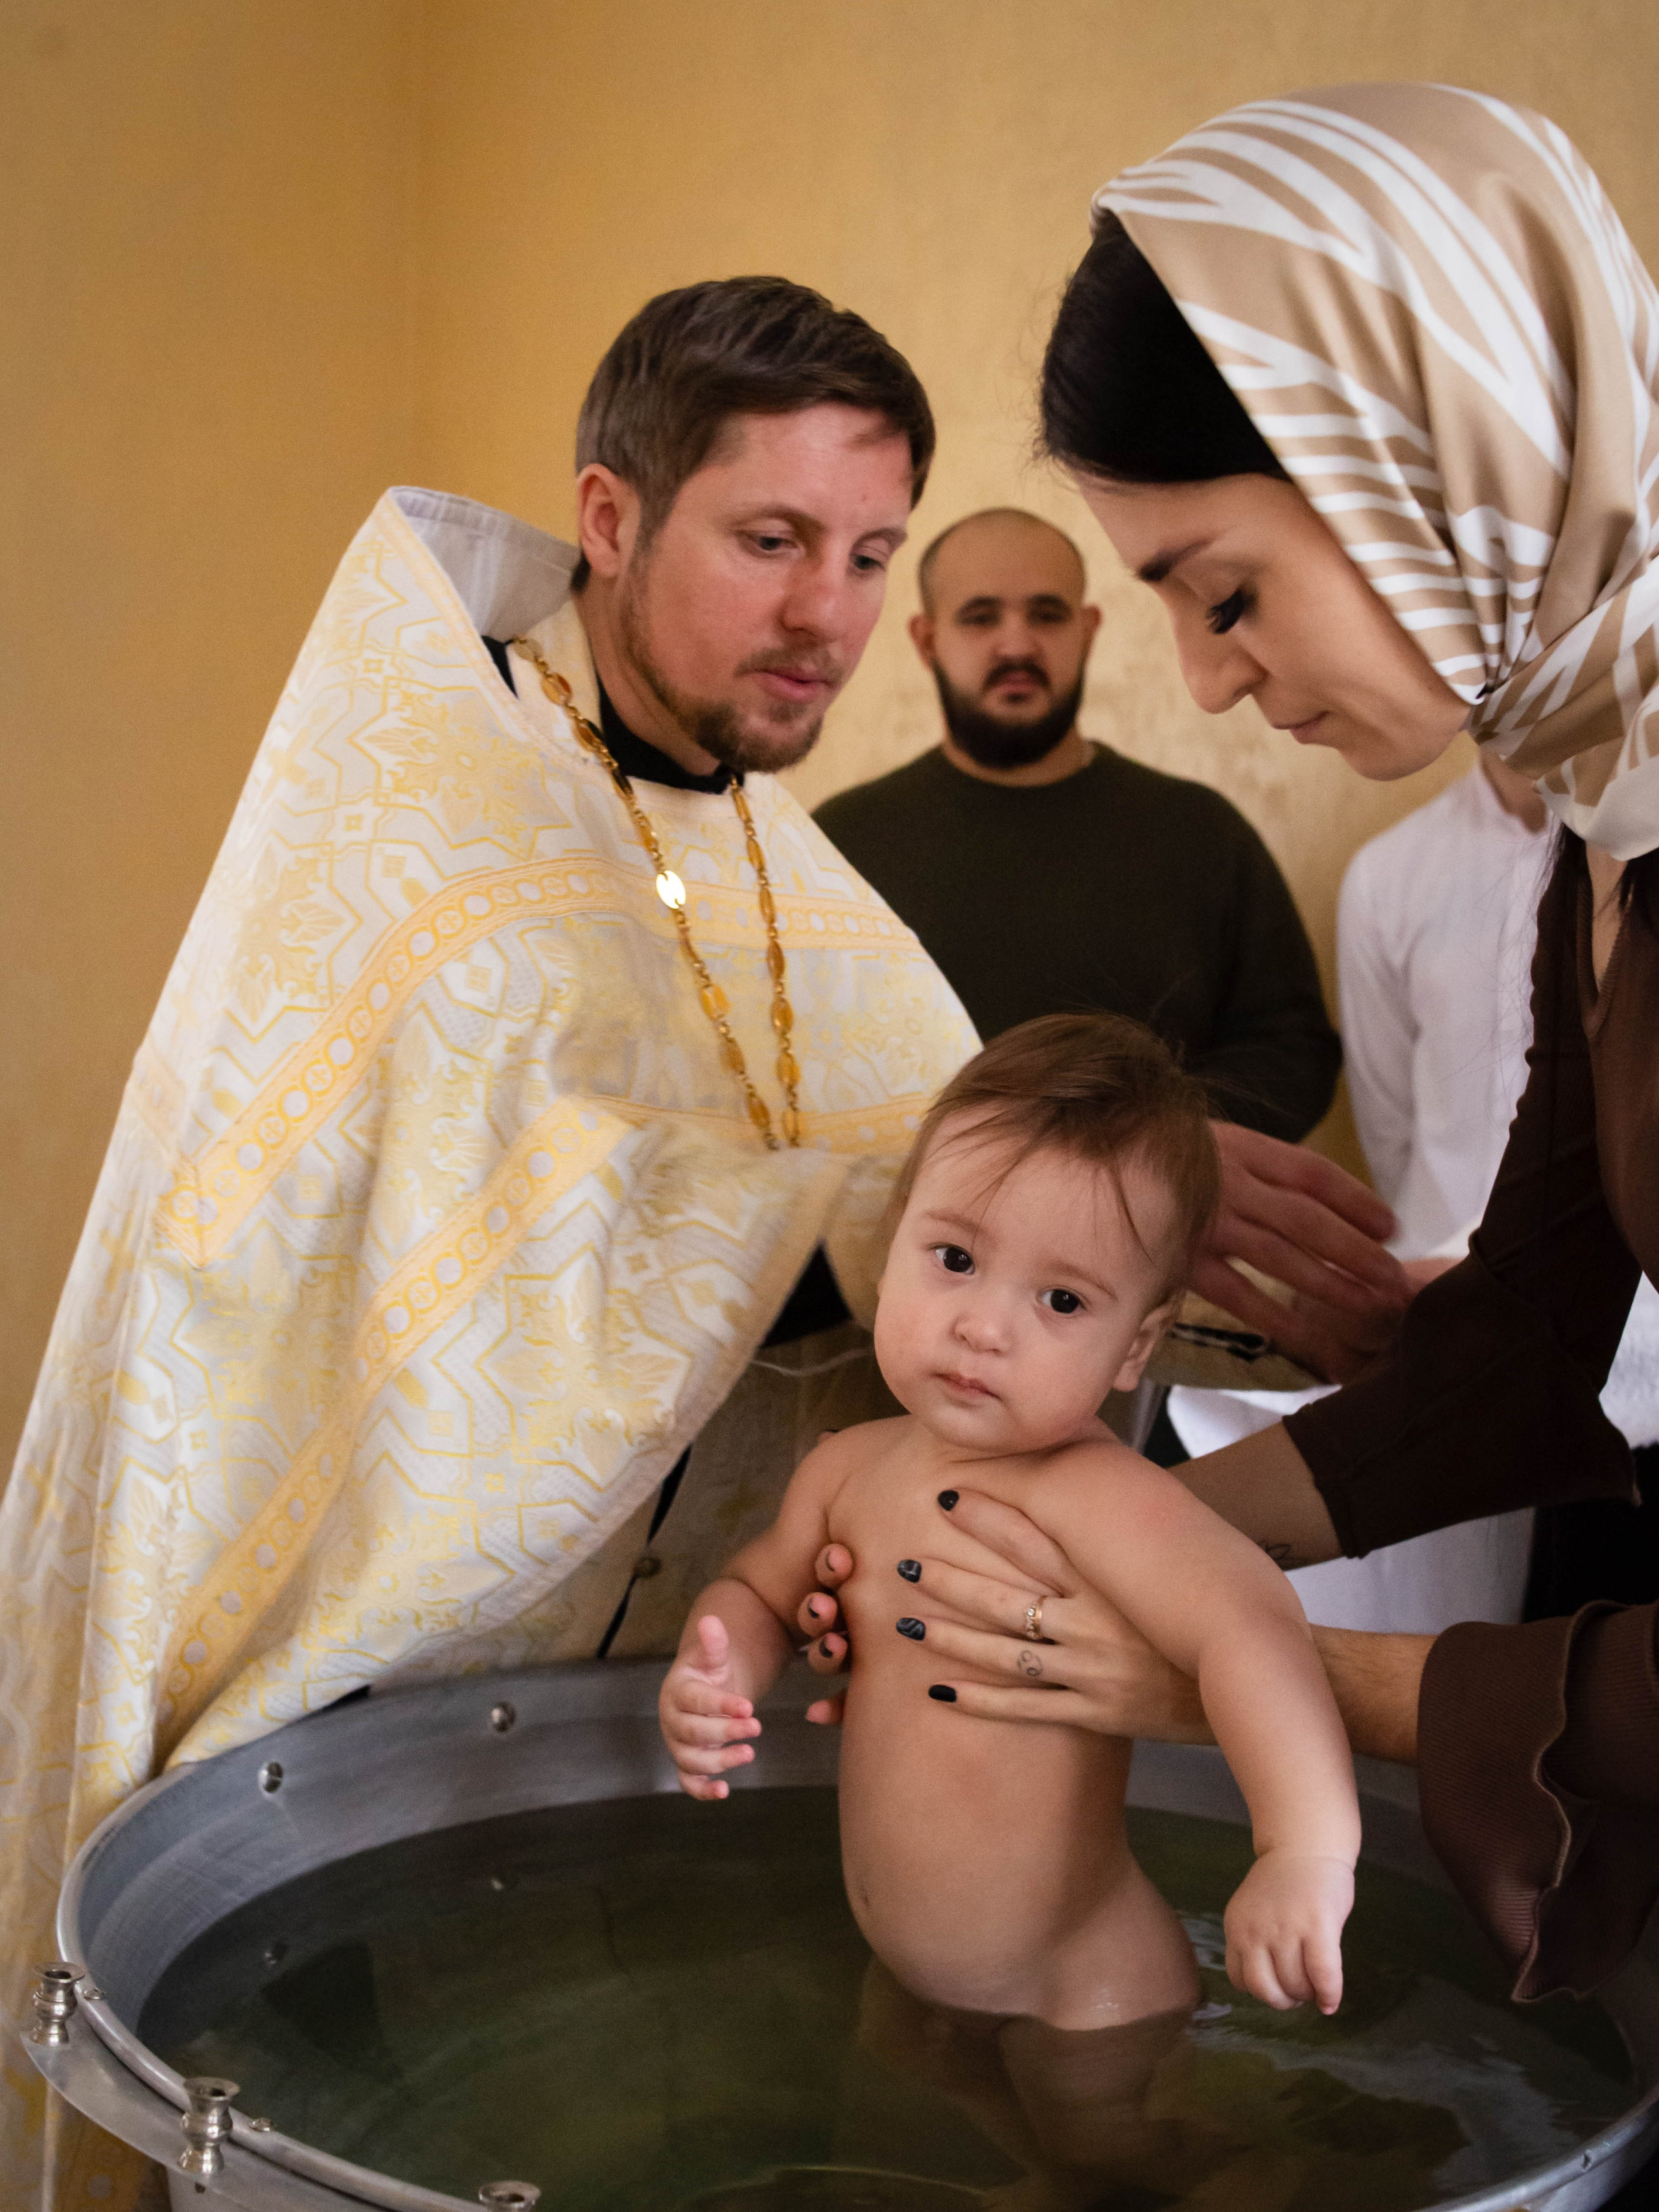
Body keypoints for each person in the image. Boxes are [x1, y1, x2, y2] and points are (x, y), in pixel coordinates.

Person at [0, 277, 981, 2200]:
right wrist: (868, 1221)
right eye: (769, 540)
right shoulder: (429, 821)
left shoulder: (791, 863)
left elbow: (904, 1187)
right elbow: (453, 1256)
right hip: (361, 1747)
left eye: (872, 554)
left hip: (687, 1737)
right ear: (608, 519)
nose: (829, 617)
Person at [800, 85, 1659, 2040]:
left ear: (1418, 458)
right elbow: (1526, 1333)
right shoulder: (1605, 837)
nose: (1204, 681)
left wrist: (1221, 1660)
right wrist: (1081, 1532)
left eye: (1224, 590)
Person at [660, 1014, 1359, 2031]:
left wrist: (1303, 1847)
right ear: (894, 1236)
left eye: (1064, 1301)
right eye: (953, 1257)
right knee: (898, 2158)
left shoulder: (1100, 1498)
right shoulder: (846, 1467)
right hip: (907, 1969)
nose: (984, 1325)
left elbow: (1252, 1628)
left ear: (1137, 1346)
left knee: (1108, 2176)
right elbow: (760, 1591)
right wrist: (716, 1671)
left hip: (1082, 1986)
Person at [813, 507, 1340, 1142]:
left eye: (1046, 614)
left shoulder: (1198, 833)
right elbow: (792, 1073)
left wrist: (1136, 1149)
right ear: (927, 641)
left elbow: (1292, 1052)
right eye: (981, 618)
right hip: (903, 1235)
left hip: (1154, 1233)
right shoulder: (838, 847)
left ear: (1088, 630)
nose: (1016, 645)